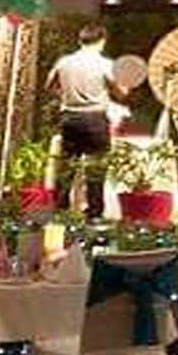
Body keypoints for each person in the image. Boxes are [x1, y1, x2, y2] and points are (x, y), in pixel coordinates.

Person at [46, 25, 120, 220]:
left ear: (80, 41)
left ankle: (60, 211)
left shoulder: (64, 62)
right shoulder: (105, 64)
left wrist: (66, 95)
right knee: (96, 168)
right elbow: (120, 92)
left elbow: (49, 86)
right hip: (95, 117)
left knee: (67, 166)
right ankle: (94, 214)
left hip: (70, 117)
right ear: (102, 41)